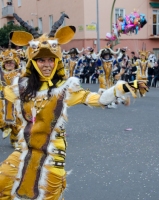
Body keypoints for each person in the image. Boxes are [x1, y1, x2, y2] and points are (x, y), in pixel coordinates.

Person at [0, 13, 148, 200]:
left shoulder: (66, 89)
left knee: (48, 196)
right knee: (3, 186)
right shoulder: (21, 88)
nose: (46, 64)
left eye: (50, 60)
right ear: (33, 62)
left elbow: (98, 99)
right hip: (25, 152)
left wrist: (124, 87)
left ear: (56, 61)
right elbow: (4, 97)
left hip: (52, 155)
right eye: (41, 60)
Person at [0, 47, 22, 148]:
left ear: (15, 63)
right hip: (2, 100)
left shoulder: (20, 73)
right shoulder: (0, 73)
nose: (9, 64)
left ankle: (15, 140)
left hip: (16, 101)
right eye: (7, 62)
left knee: (16, 122)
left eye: (11, 62)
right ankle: (4, 127)